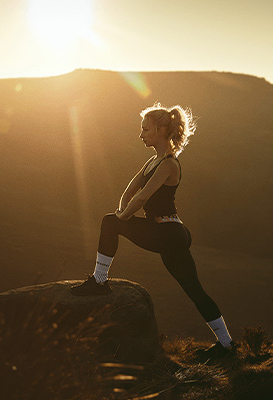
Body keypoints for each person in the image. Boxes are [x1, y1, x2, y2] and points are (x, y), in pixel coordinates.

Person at [70, 103, 237, 363]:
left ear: (161, 130)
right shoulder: (153, 160)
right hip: (164, 230)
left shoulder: (169, 164)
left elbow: (142, 197)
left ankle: (100, 282)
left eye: (146, 130)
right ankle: (226, 345)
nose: (141, 135)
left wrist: (122, 217)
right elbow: (131, 188)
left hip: (168, 233)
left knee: (194, 290)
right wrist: (121, 209)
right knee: (194, 289)